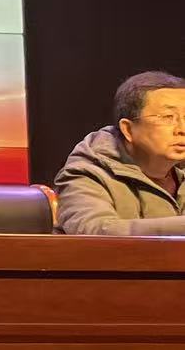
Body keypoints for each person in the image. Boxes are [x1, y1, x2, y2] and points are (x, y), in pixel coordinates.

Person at [53, 71, 185, 236]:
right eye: (167, 117)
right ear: (128, 129)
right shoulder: (86, 174)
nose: (182, 129)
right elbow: (95, 232)